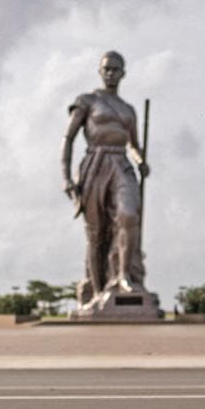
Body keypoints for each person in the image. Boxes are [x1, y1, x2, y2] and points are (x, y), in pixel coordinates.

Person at [61, 51, 150, 309]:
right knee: (97, 234)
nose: (110, 73)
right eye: (106, 69)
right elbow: (68, 139)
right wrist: (66, 177)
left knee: (129, 215)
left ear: (123, 73)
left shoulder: (128, 110)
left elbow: (134, 145)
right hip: (95, 165)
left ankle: (124, 276)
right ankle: (98, 291)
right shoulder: (87, 101)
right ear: (100, 72)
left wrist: (140, 160)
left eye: (115, 69)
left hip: (121, 164)